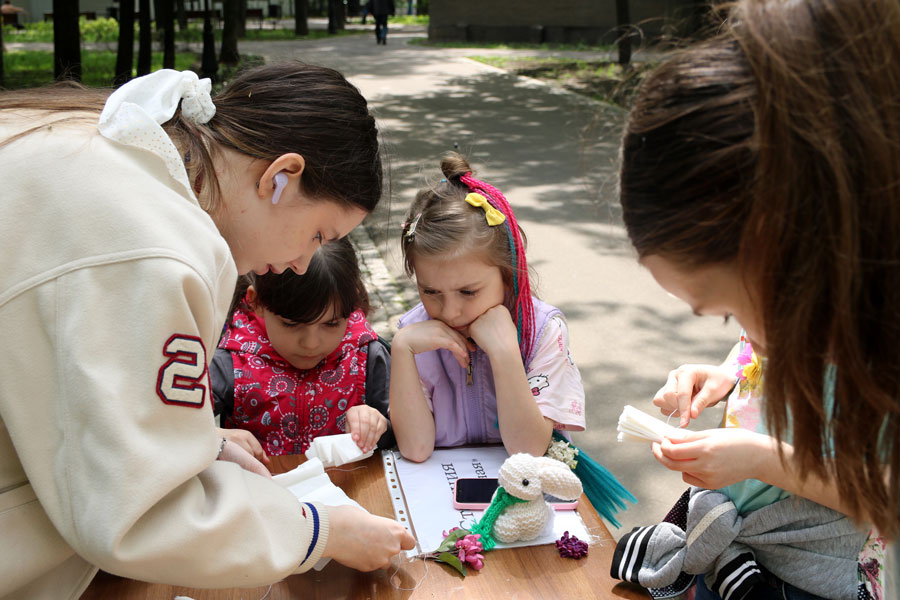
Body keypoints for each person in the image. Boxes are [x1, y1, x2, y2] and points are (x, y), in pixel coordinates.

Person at [0, 63, 414, 599]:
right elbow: (140, 514)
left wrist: (205, 447)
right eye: (317, 234)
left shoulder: (120, 154)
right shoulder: (161, 250)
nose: (300, 264)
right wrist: (322, 531)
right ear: (280, 176)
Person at [617, 0, 899, 596]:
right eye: (727, 318)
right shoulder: (803, 294)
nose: (749, 334)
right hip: (743, 546)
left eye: (734, 306)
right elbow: (757, 343)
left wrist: (764, 458)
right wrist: (727, 374)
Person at [390, 153, 587, 463]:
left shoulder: (543, 331)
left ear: (507, 275)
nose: (450, 311)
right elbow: (415, 449)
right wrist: (402, 349)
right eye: (430, 291)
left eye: (468, 292)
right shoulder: (414, 337)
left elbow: (529, 449)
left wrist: (505, 352)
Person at [211, 238, 395, 458]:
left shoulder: (367, 356)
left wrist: (378, 426)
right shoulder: (231, 363)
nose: (311, 343)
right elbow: (179, 426)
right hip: (260, 479)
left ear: (352, 303)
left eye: (331, 324)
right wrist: (216, 438)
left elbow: (402, 435)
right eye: (291, 324)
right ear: (256, 302)